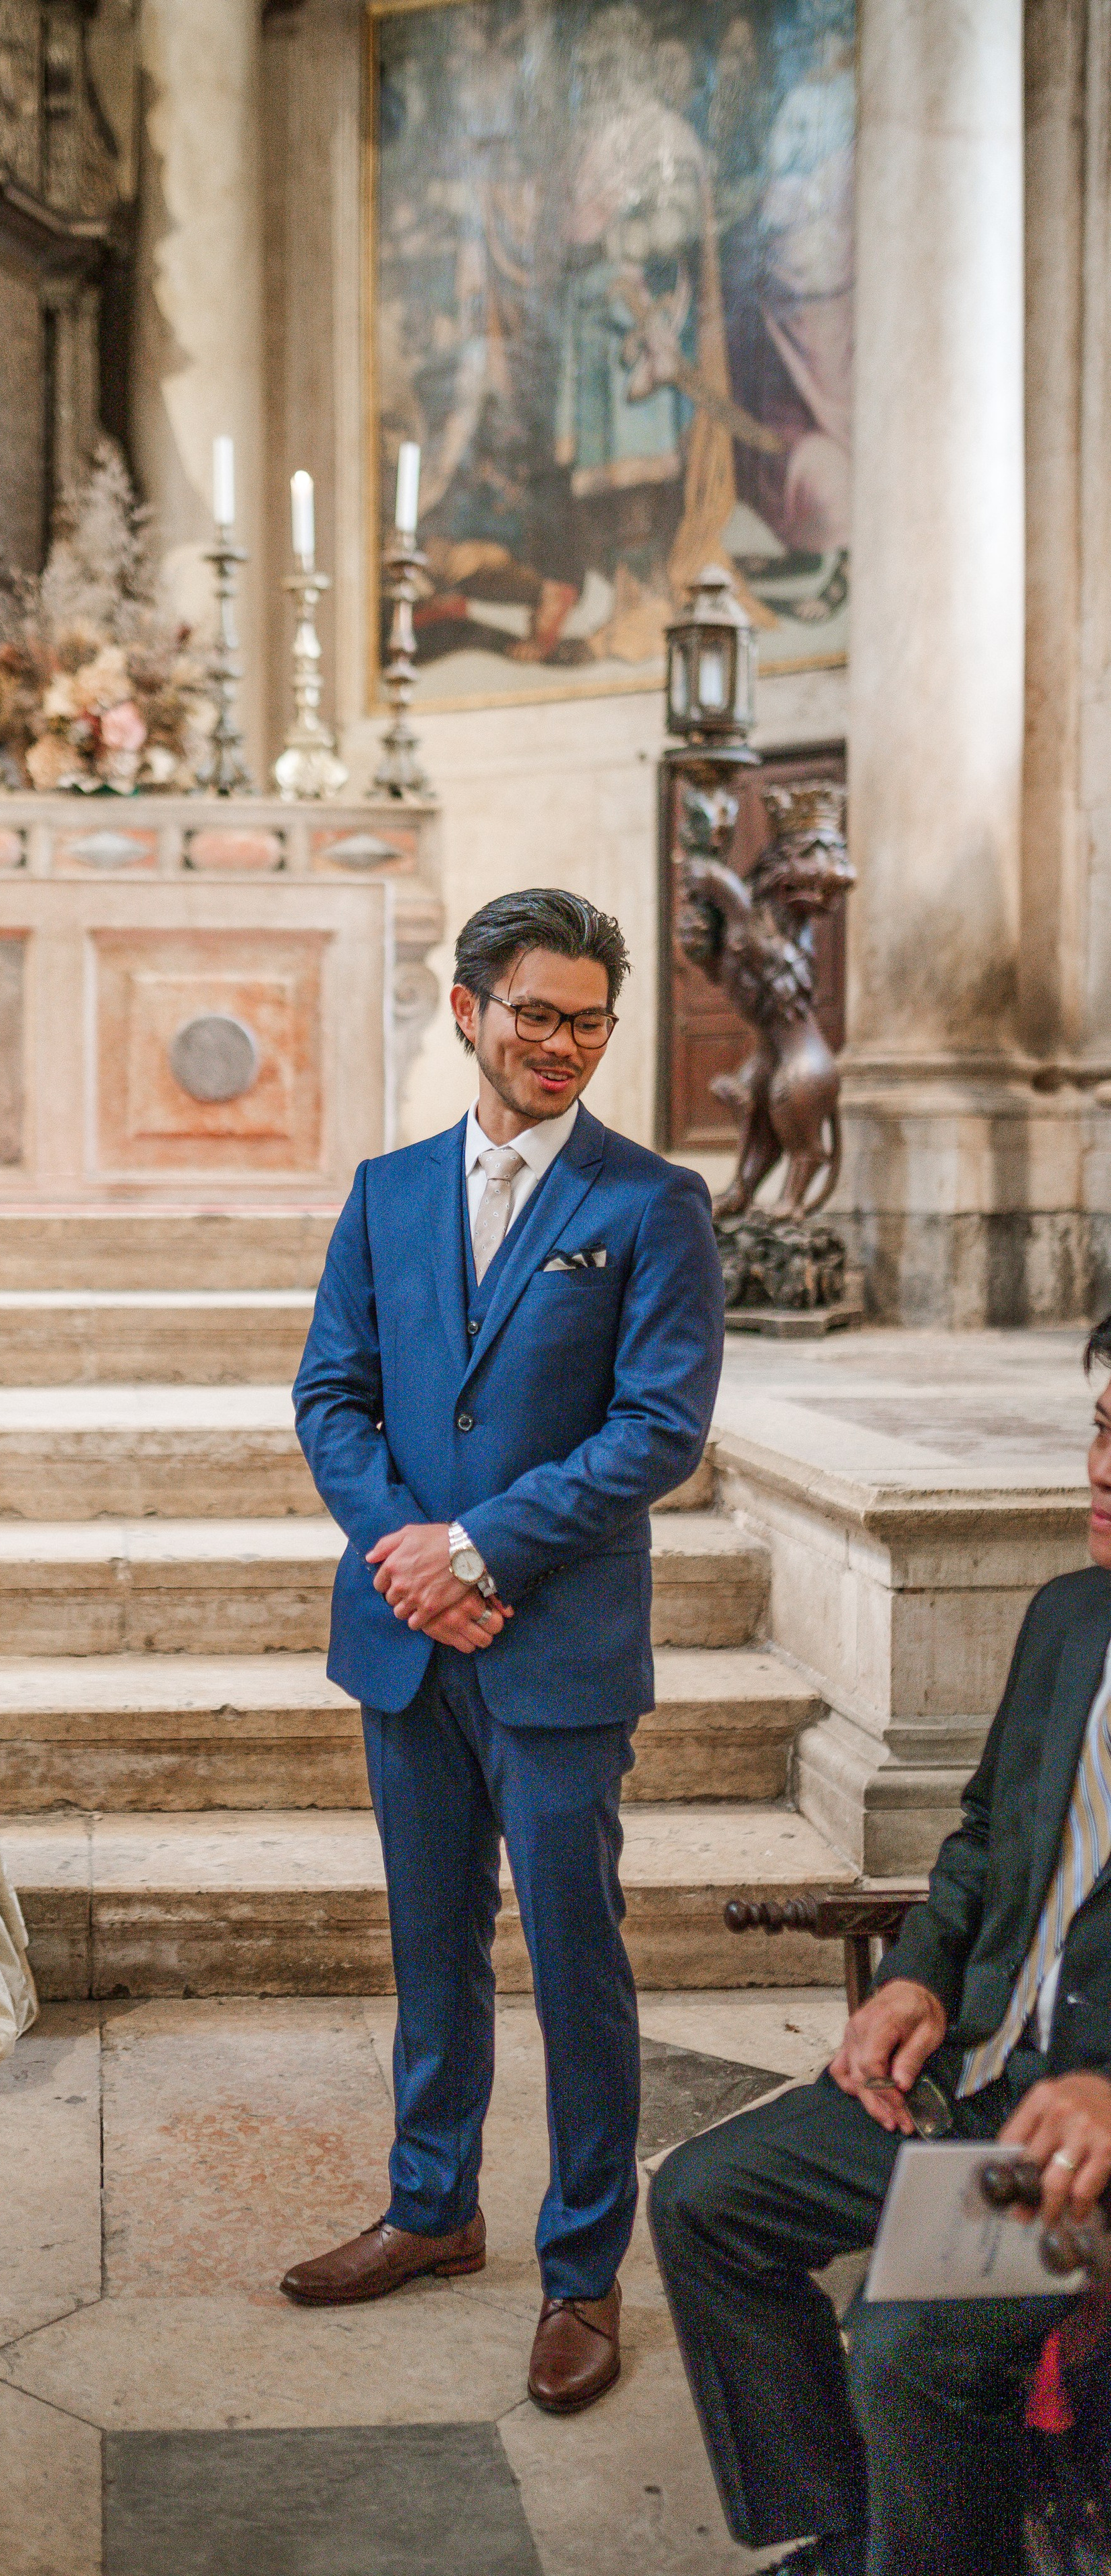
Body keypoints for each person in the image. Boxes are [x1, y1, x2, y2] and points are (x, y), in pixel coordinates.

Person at [283, 886, 724, 2412]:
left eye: (588, 1021)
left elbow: (657, 1428)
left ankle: (582, 2263)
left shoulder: (647, 1203)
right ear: (467, 1008)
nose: (560, 1044)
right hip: (410, 1642)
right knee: (428, 1944)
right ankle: (431, 2207)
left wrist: (478, 1549)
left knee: (574, 1956)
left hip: (552, 1639)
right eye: (535, 1013)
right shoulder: (387, 1191)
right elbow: (330, 1394)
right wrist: (408, 1556)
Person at [649, 1318, 1111, 2576]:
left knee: (908, 2342)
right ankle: (856, 2536)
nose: (1105, 1471)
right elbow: (979, 1842)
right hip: (968, 2078)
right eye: (1106, 1431)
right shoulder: (1074, 1621)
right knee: (704, 2205)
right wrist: (915, 1972)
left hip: (1073, 2157)